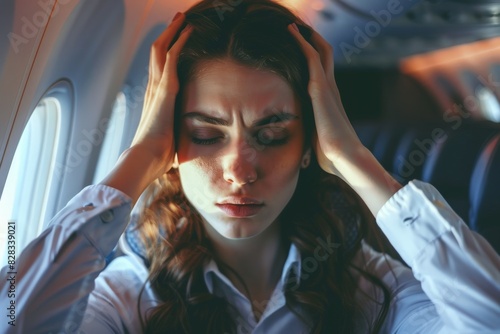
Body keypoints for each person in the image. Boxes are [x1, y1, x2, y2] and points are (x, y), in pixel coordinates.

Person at [1, 0, 499, 333]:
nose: (240, 169)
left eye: (273, 133)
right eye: (205, 134)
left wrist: (353, 158)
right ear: (172, 143)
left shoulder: (370, 286)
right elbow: (14, 319)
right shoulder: (131, 295)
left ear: (310, 143)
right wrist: (138, 160)